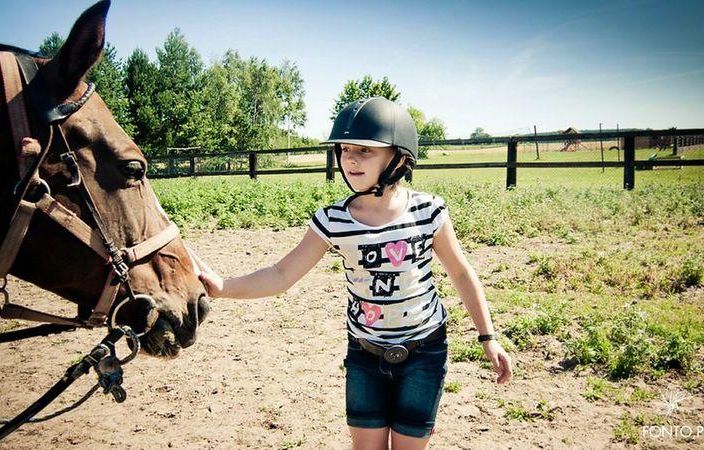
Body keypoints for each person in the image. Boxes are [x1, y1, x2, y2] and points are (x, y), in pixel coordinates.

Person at [191, 97, 512, 450]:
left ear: (400, 157)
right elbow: (281, 274)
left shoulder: (429, 211)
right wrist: (223, 287)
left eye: (365, 150)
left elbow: (461, 273)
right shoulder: (333, 220)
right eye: (344, 149)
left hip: (424, 353)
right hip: (365, 354)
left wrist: (488, 337)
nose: (350, 159)